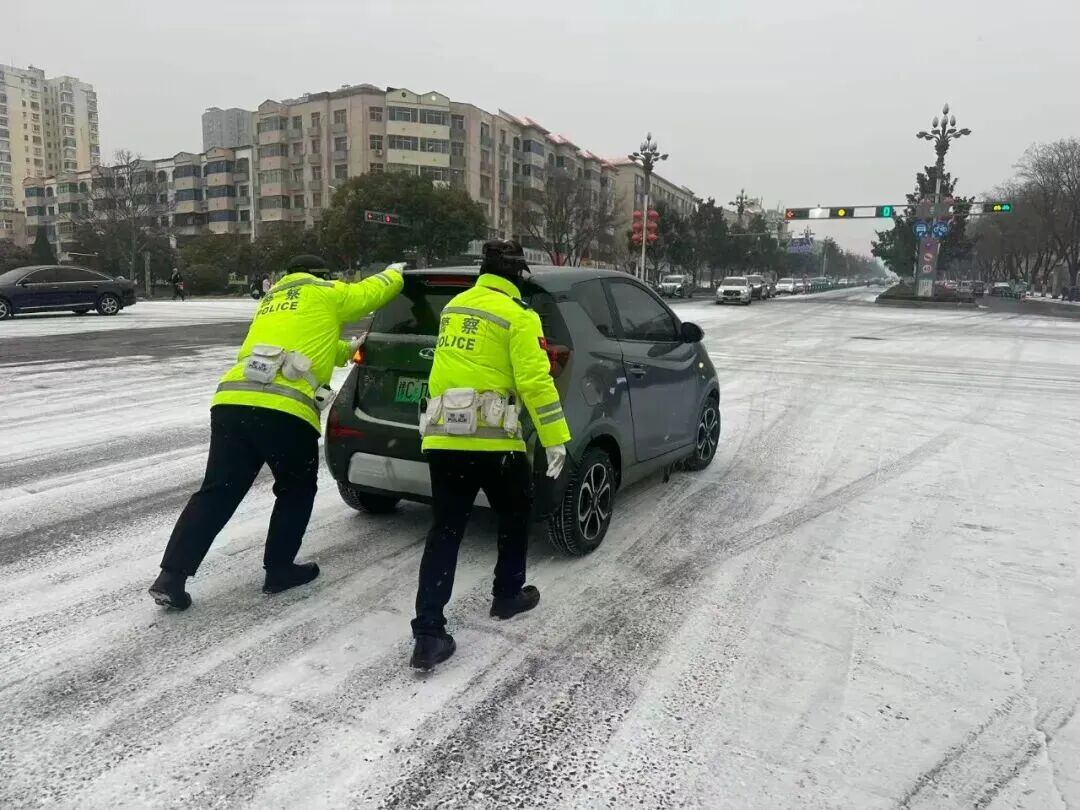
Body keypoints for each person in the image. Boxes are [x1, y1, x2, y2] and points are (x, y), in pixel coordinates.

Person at [149, 255, 405, 610]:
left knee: (217, 492)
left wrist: (348, 349)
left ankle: (171, 577)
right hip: (284, 410)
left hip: (232, 402)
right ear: (322, 276)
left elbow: (312, 348)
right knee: (295, 490)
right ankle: (279, 570)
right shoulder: (325, 292)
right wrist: (393, 274)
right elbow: (369, 293)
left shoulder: (272, 302)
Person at [410, 239, 571, 670]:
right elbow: (535, 382)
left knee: (445, 532)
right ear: (518, 276)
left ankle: (428, 633)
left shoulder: (455, 308)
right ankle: (506, 595)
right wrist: (555, 437)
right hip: (495, 442)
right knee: (515, 514)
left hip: (444, 439)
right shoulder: (519, 315)